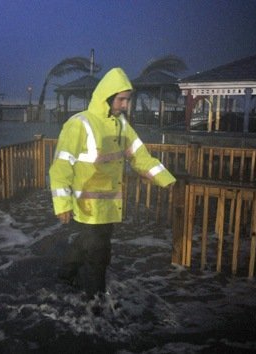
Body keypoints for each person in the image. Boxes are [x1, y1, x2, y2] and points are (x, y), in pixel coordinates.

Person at [49, 68, 176, 298]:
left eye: (127, 100)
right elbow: (60, 167)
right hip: (87, 206)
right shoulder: (80, 124)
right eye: (121, 100)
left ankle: (65, 276)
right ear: (107, 97)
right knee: (98, 254)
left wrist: (167, 180)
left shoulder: (121, 125)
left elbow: (140, 157)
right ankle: (97, 305)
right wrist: (62, 204)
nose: (125, 105)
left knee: (86, 245)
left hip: (109, 205)